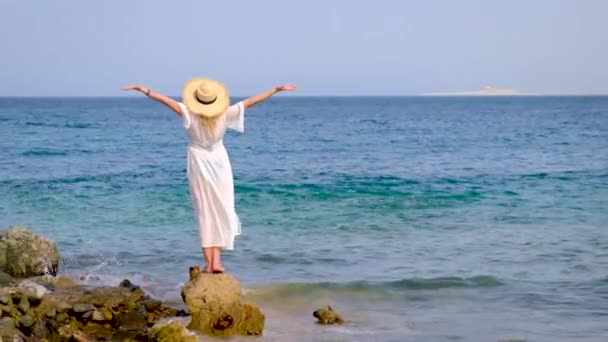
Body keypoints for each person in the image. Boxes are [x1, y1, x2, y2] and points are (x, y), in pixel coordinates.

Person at [122, 79, 297, 273]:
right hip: (220, 163)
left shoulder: (189, 113)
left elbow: (163, 100)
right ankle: (216, 263)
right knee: (221, 208)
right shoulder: (224, 114)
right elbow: (251, 101)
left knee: (205, 211)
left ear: (196, 99)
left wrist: (143, 89)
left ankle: (209, 263)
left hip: (198, 163)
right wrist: (275, 90)